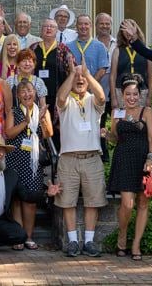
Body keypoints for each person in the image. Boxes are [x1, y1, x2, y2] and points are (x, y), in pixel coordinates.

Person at [55, 60, 107, 258]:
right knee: (67, 201)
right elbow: (60, 97)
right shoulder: (66, 101)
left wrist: (87, 73)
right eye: (76, 78)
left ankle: (89, 241)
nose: (80, 80)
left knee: (92, 200)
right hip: (68, 158)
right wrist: (73, 73)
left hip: (92, 158)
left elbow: (102, 96)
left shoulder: (93, 100)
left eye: (83, 78)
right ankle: (73, 241)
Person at [106, 76, 152, 261]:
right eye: (128, 94)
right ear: (122, 95)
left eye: (135, 94)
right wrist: (106, 134)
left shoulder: (147, 112)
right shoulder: (117, 112)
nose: (132, 98)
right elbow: (114, 138)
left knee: (143, 203)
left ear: (140, 95)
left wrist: (151, 159)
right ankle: (122, 236)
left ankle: (136, 244)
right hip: (124, 161)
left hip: (143, 161)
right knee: (127, 204)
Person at [4, 79, 52, 251]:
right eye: (23, 92)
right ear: (18, 96)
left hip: (33, 162)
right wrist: (26, 121)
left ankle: (29, 236)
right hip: (15, 159)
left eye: (29, 90)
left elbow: (48, 134)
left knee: (30, 200)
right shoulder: (14, 111)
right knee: (16, 200)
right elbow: (9, 133)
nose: (27, 94)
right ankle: (19, 237)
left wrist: (42, 120)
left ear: (35, 93)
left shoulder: (42, 111)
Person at [30, 19, 73, 142]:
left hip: (57, 97)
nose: (48, 29)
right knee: (37, 127)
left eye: (52, 27)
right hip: (36, 97)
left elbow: (72, 71)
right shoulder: (33, 48)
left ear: (56, 30)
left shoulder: (63, 50)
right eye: (46, 26)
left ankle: (55, 153)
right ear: (41, 30)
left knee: (55, 130)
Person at [110, 19, 152, 108]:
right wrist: (113, 98)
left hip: (141, 91)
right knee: (123, 116)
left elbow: (151, 75)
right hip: (121, 91)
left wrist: (149, 97)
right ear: (121, 32)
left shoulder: (145, 50)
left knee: (140, 116)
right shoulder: (117, 51)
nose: (127, 32)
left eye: (130, 28)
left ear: (136, 29)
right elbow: (113, 76)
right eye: (124, 29)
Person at [68, 14, 109, 81]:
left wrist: (90, 84)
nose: (83, 26)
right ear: (76, 26)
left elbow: (102, 70)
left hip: (93, 86)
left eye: (86, 24)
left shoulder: (100, 47)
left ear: (91, 26)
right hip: (73, 86)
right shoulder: (68, 47)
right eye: (80, 24)